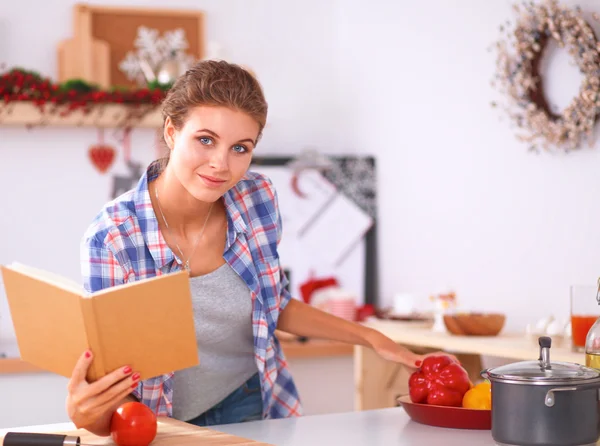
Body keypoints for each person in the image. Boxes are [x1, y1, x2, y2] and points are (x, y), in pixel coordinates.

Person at [65, 60, 446, 436]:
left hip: (252, 399)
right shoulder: (113, 237)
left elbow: (274, 304)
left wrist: (371, 338)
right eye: (205, 140)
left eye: (240, 148)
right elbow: (113, 375)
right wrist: (88, 414)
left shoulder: (256, 199)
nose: (221, 164)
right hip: (158, 422)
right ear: (171, 131)